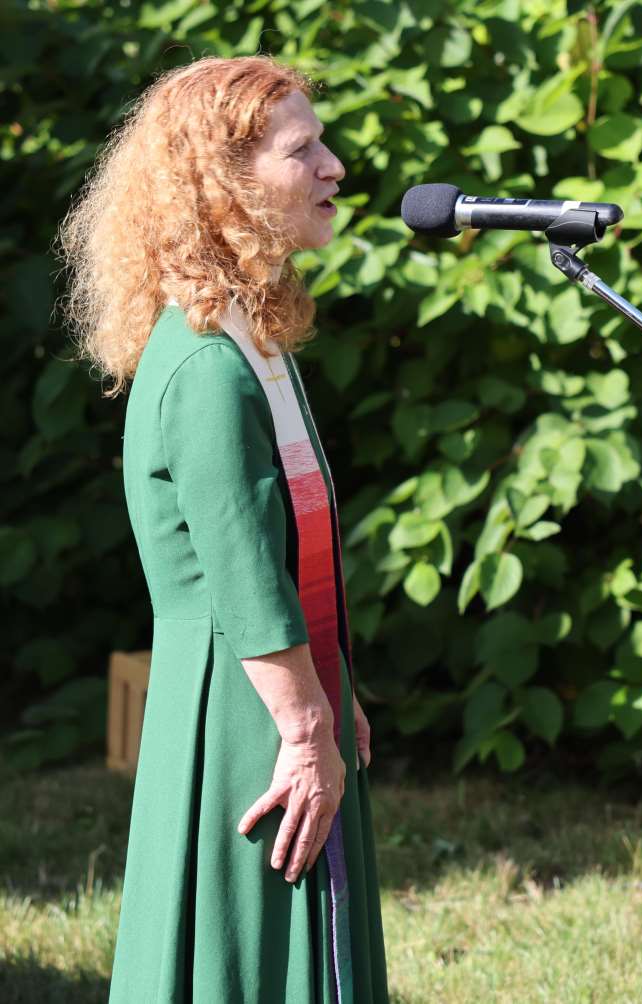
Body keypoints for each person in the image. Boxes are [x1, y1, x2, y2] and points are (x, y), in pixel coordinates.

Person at [57, 55, 389, 1003]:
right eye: (303, 149)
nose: (333, 166)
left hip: (277, 691)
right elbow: (241, 578)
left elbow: (291, 553)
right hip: (243, 713)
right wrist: (300, 728)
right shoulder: (208, 366)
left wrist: (332, 685)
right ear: (224, 186)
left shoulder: (249, 337)